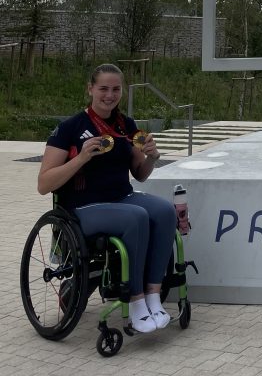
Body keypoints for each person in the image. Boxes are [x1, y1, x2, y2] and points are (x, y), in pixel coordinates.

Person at [38, 63, 177, 334]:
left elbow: (140, 173)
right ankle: (136, 303)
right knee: (136, 217)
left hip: (121, 198)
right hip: (83, 207)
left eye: (115, 89)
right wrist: (81, 158)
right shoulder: (69, 128)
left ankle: (153, 295)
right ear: (90, 89)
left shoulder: (126, 125)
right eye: (103, 88)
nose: (109, 95)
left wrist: (152, 156)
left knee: (164, 211)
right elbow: (44, 184)